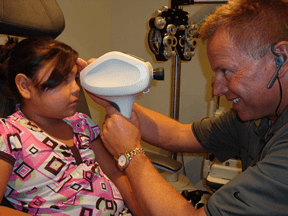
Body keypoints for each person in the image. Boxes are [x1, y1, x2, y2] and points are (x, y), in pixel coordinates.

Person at [83, 0, 288, 215]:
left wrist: (130, 154)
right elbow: (179, 135)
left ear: (280, 58)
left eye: (226, 71)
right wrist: (114, 97)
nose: (216, 90)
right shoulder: (258, 116)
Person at [0, 37, 143, 215]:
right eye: (63, 79)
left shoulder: (81, 123)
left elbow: (114, 173)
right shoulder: (8, 134)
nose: (76, 89)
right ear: (25, 85)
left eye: (75, 78)